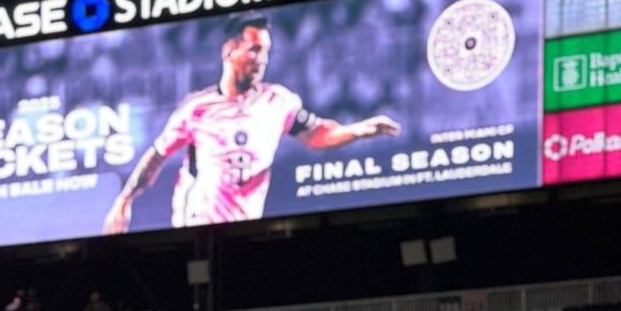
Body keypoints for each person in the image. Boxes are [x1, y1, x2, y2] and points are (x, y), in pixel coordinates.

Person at [103, 15, 400, 233]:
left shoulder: (277, 102)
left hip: (247, 227)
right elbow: (157, 155)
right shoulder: (196, 109)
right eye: (255, 49)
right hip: (196, 228)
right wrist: (124, 200)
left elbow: (317, 135)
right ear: (229, 51)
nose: (262, 59)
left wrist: (360, 130)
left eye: (266, 52)